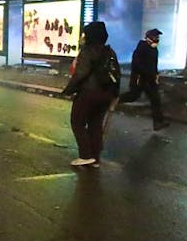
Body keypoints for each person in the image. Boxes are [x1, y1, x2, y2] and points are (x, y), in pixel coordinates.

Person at [61, 21, 121, 167]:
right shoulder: (110, 51)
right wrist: (115, 95)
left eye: (85, 34)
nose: (83, 37)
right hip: (106, 94)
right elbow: (117, 74)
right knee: (95, 124)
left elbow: (81, 73)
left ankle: (85, 155)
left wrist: (68, 90)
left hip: (88, 93)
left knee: (77, 122)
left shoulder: (87, 51)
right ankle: (95, 157)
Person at [118, 28, 170, 130]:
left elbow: (154, 65)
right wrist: (147, 73)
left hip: (150, 80)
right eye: (155, 37)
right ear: (149, 38)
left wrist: (155, 75)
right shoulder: (141, 48)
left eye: (158, 37)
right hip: (140, 79)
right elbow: (136, 65)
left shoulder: (154, 50)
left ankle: (158, 122)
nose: (157, 39)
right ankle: (114, 100)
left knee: (155, 100)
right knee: (133, 96)